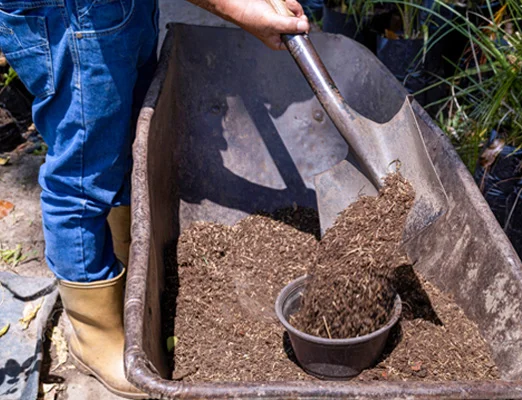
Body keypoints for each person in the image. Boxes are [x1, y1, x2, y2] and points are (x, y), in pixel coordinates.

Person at [0, 0, 309, 398]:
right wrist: (238, 8)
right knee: (83, 171)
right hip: (69, 14)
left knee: (124, 139)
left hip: (112, 11)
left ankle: (128, 275)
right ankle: (92, 334)